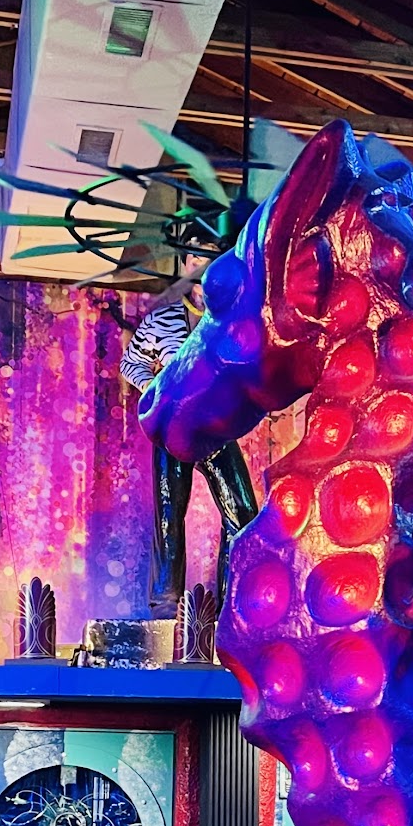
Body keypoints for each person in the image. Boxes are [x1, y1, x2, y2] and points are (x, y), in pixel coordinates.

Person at [120, 260, 257, 615]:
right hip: (173, 427)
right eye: (195, 259)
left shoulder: (229, 318)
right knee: (169, 512)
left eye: (208, 257)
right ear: (185, 266)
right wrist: (156, 388)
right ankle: (165, 601)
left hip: (215, 426)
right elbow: (130, 363)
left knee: (242, 511)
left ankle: (230, 601)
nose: (202, 265)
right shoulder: (163, 319)